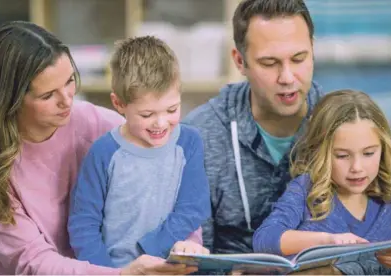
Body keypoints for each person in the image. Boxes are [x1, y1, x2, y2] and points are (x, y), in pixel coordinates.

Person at [182, 0, 389, 274]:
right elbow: (191, 260)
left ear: (313, 50)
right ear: (239, 61)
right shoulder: (199, 136)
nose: (288, 77)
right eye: (270, 63)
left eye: (299, 59)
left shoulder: (347, 125)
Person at [0, 21, 197, 275]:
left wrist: (189, 244)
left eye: (70, 80)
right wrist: (121, 274)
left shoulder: (98, 124)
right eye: (48, 95)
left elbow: (171, 179)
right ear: (12, 100)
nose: (67, 99)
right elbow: (33, 262)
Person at [68, 36, 211, 268]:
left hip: (173, 268)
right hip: (117, 270)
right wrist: (110, 273)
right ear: (119, 104)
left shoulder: (189, 142)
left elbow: (194, 206)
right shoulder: (103, 152)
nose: (161, 123)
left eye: (172, 109)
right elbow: (83, 224)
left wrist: (153, 247)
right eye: (147, 115)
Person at [253, 90, 391, 275]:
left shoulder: (387, 200)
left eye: (368, 153)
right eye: (342, 155)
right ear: (321, 151)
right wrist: (327, 241)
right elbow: (264, 240)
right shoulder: (305, 190)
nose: (357, 167)